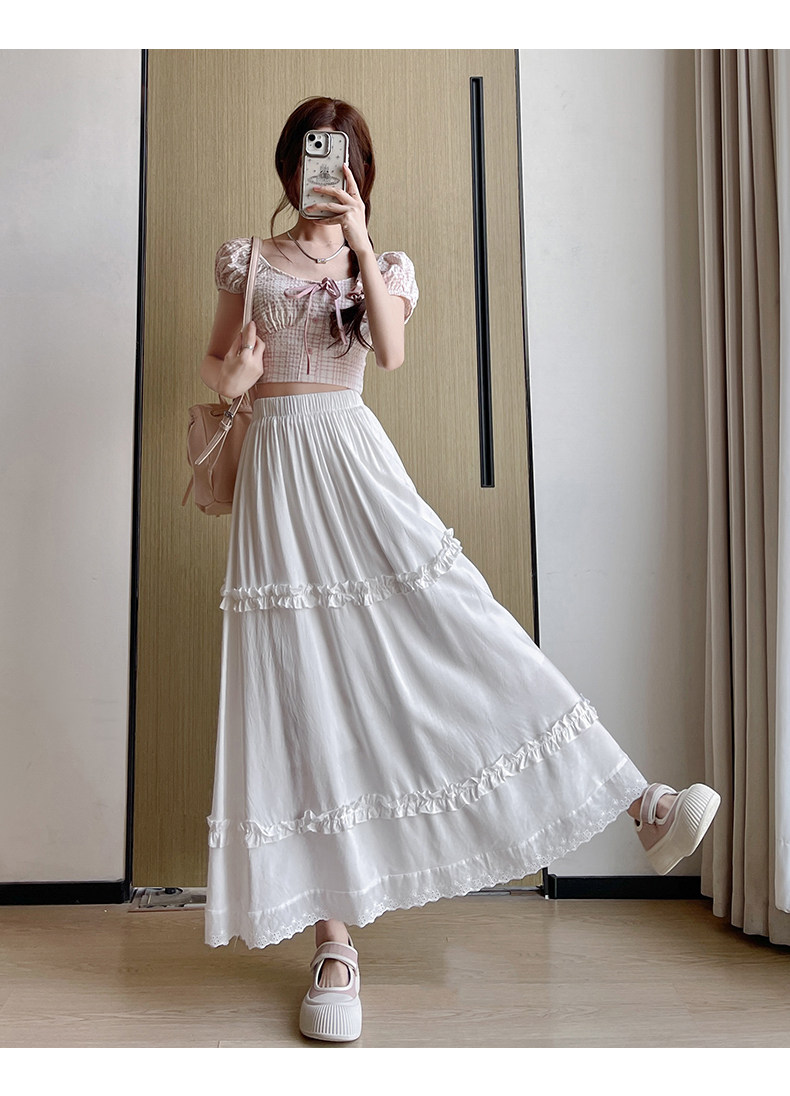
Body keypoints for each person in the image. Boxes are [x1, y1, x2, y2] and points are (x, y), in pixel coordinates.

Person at [199, 96, 721, 1044]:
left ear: (362, 174)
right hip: (277, 481)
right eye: (315, 158)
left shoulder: (383, 265)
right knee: (298, 693)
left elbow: (391, 354)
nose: (328, 173)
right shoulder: (249, 260)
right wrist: (231, 380)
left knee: (464, 626)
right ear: (288, 168)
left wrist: (360, 242)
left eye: (346, 161)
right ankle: (332, 945)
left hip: (355, 468)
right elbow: (217, 367)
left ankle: (638, 800)